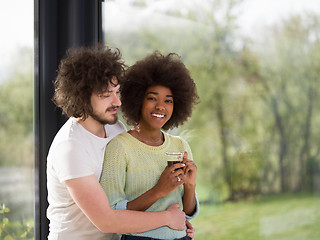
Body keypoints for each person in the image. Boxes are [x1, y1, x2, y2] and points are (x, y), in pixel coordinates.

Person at [46, 45, 187, 240]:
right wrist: (168, 219)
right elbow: (106, 221)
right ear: (82, 97)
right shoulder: (71, 148)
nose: (117, 102)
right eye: (106, 95)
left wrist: (177, 227)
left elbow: (127, 199)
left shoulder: (115, 129)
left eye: (117, 92)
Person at [100, 51, 200, 240]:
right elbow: (113, 212)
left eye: (168, 100)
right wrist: (159, 190)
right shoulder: (119, 148)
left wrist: (190, 185)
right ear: (138, 100)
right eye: (152, 98)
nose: (161, 106)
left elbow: (185, 212)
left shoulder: (180, 145)